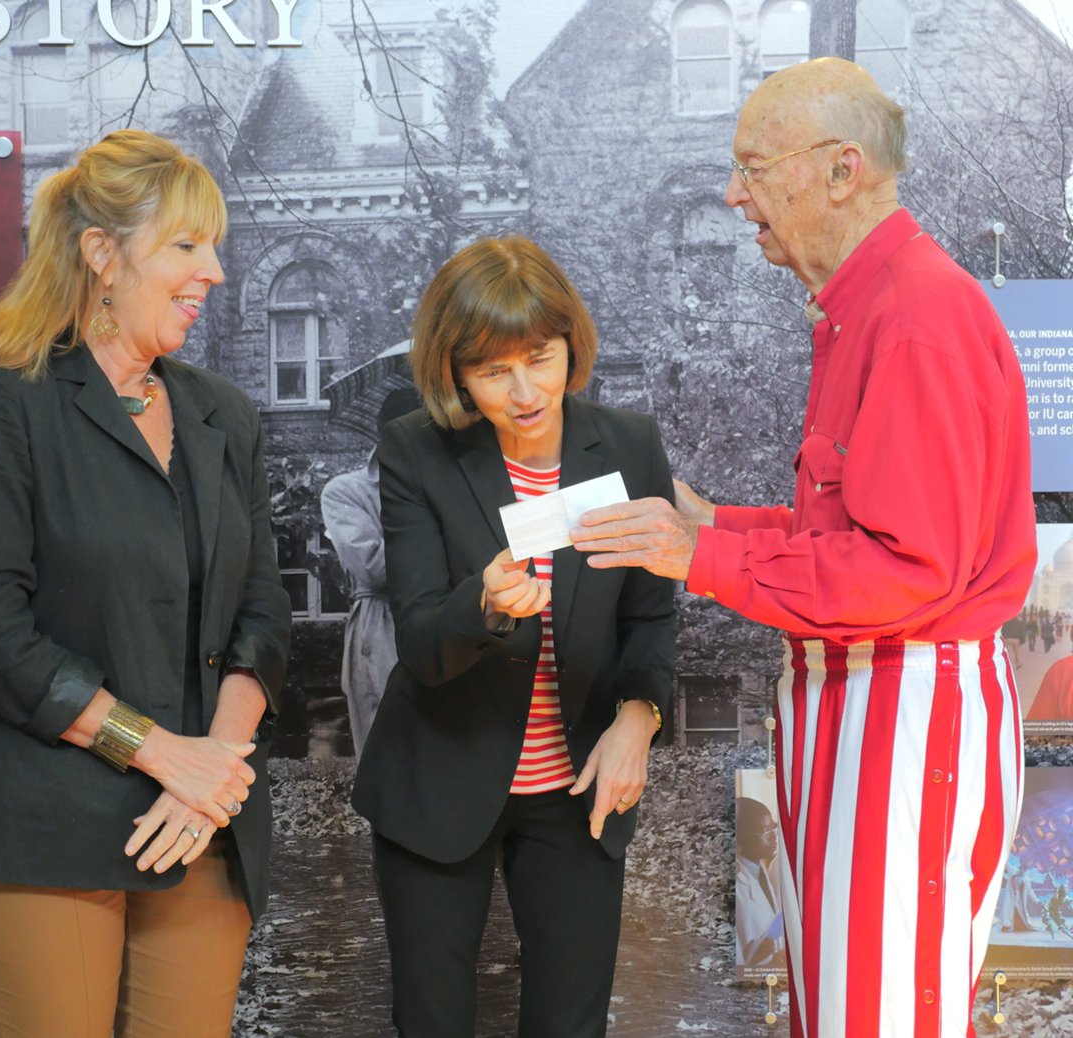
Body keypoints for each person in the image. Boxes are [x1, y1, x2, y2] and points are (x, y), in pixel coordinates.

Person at [571, 58, 1036, 1038]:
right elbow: (856, 533)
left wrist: (700, 558)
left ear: (841, 171)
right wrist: (713, 528)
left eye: (752, 165)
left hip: (901, 718)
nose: (734, 194)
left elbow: (907, 572)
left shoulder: (914, 320)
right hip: (875, 709)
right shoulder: (873, 309)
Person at [0, 130, 292, 1038]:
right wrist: (164, 754)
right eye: (185, 245)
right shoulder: (1, 402)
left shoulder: (222, 414)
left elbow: (264, 610)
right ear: (101, 255)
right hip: (45, 822)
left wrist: (215, 773)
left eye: (216, 246)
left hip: (200, 823)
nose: (213, 271)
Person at [351, 236, 677, 1037]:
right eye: (494, 371)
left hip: (577, 790)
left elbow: (650, 613)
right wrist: (485, 606)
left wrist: (638, 721)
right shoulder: (417, 452)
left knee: (571, 1023)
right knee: (431, 1020)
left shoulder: (629, 446)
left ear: (571, 343)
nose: (526, 390)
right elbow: (424, 644)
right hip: (439, 778)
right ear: (455, 373)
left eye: (541, 357)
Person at [320, 387, 421, 758]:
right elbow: (373, 567)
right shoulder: (347, 492)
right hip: (382, 629)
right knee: (389, 760)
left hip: (446, 622)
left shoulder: (448, 487)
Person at [735, 797, 785, 969]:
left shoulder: (759, 871)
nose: (774, 837)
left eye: (774, 828)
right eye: (766, 832)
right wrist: (766, 964)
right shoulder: (736, 886)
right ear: (739, 840)